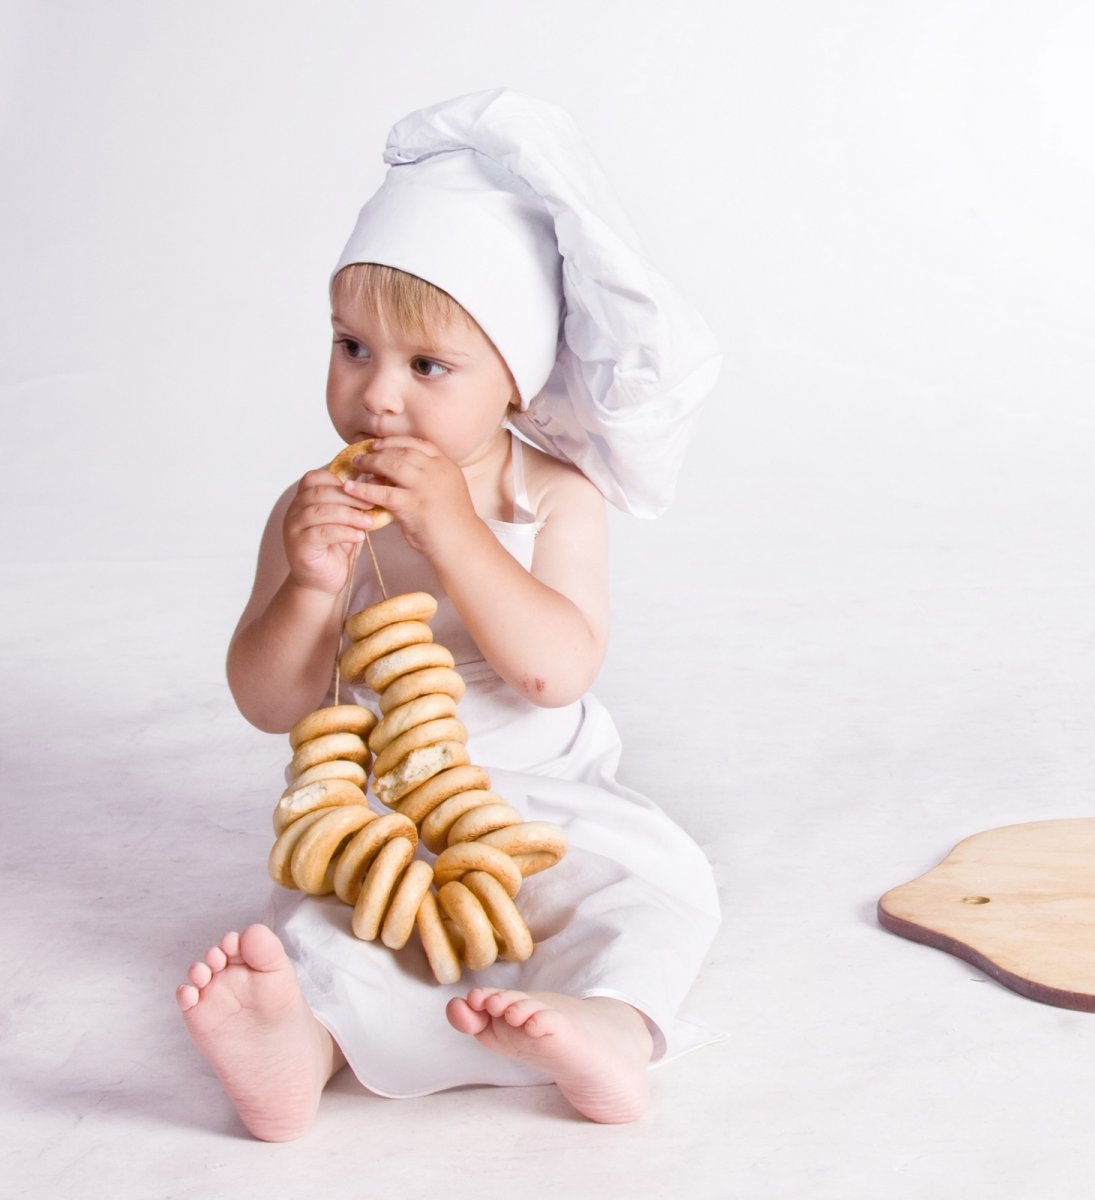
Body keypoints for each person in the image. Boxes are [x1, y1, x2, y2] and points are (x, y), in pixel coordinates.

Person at [175, 89, 724, 1141]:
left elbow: (555, 670)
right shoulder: (312, 508)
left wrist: (458, 535)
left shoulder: (551, 495)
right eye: (351, 348)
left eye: (427, 366)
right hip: (388, 801)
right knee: (335, 930)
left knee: (657, 888)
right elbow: (266, 698)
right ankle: (305, 1049)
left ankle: (607, 1028)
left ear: (514, 380)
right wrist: (306, 587)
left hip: (548, 796)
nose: (378, 397)